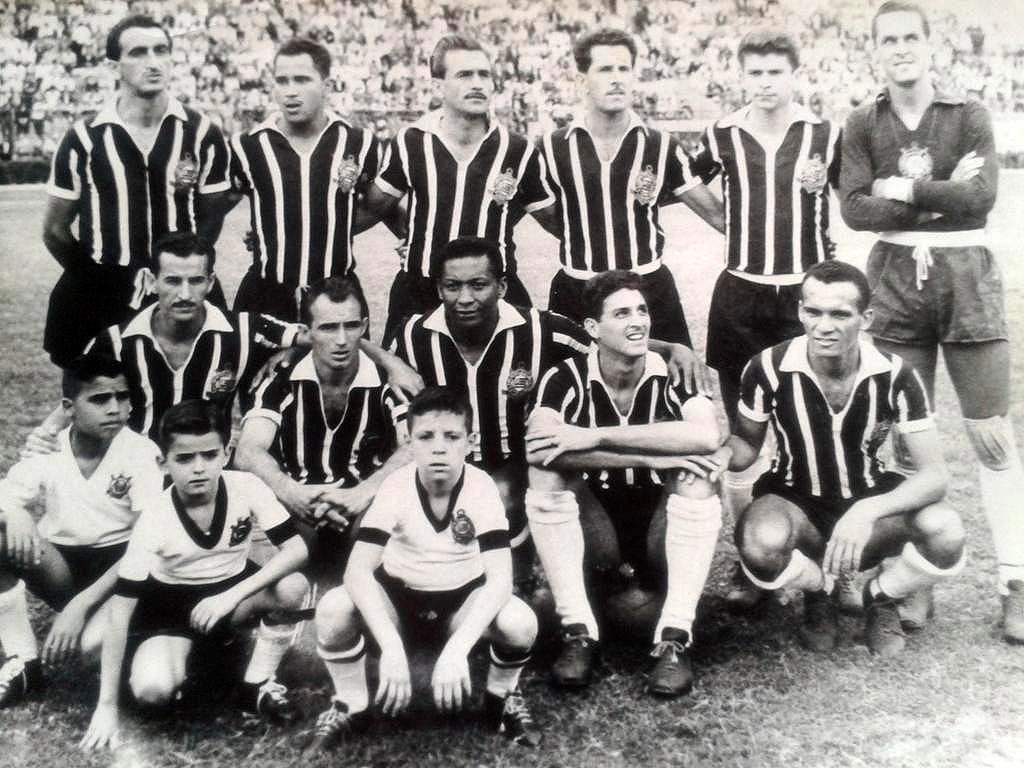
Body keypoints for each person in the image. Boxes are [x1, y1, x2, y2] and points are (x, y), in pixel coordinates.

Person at [839, 0, 1024, 641]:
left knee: (991, 436)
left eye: (910, 37)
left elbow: (982, 198)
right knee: (900, 439)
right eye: (887, 39)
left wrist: (903, 189)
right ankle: (911, 577)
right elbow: (855, 210)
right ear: (875, 50)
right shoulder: (863, 120)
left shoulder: (968, 113)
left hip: (967, 277)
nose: (900, 48)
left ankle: (1014, 583)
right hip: (893, 279)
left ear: (929, 44)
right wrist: (933, 194)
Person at [701, 261, 965, 656]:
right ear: (800, 312)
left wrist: (866, 512)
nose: (825, 326)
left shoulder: (896, 375)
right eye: (814, 312)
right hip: (796, 501)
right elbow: (746, 446)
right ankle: (819, 592)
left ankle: (881, 596)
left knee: (946, 531)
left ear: (866, 318)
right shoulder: (768, 367)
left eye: (840, 314)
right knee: (759, 544)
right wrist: (720, 454)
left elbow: (934, 477)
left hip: (872, 504)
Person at [683, 30, 841, 609]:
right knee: (744, 440)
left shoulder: (826, 135)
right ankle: (753, 566)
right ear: (741, 76)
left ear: (795, 72)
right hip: (741, 296)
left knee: (816, 429)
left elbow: (854, 193)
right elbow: (684, 179)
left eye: (776, 72)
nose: (766, 83)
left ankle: (823, 554)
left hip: (806, 296)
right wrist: (728, 221)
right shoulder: (722, 133)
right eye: (755, 73)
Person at [307, 387, 541, 753]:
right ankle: (351, 704)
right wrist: (391, 648)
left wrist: (457, 650)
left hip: (460, 603)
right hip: (399, 600)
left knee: (520, 621)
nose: (438, 447)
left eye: (452, 437)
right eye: (426, 436)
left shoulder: (481, 488)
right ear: (408, 440)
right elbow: (357, 572)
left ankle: (501, 698)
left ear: (470, 441)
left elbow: (500, 580)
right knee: (334, 609)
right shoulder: (396, 485)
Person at [524, 271, 725, 696]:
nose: (638, 322)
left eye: (642, 310)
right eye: (621, 313)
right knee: (547, 473)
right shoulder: (563, 377)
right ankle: (578, 630)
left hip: (658, 518)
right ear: (594, 329)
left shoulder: (674, 372)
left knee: (697, 476)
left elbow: (706, 437)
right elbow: (539, 448)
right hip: (597, 524)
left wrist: (596, 435)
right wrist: (646, 453)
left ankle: (675, 638)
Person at [80, 400, 311, 751]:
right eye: (184, 459)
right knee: (152, 691)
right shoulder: (156, 517)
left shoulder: (246, 486)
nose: (198, 468)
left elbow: (297, 549)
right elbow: (121, 613)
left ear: (226, 452)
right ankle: (203, 656)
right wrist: (107, 707)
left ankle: (257, 682)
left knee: (294, 586)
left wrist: (231, 596)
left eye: (209, 454)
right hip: (170, 607)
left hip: (232, 592)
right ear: (164, 462)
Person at [385, 236, 592, 583]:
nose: (465, 298)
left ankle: (523, 572)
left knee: (505, 501)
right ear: (438, 288)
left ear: (502, 286)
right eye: (452, 286)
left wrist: (672, 349)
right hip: (441, 472)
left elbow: (605, 351)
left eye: (478, 285)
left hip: (521, 472)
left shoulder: (543, 330)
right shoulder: (411, 338)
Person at [41, 14, 233, 366]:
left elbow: (212, 214)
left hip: (181, 284)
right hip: (103, 285)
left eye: (161, 51)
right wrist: (96, 280)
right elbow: (54, 230)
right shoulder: (83, 138)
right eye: (139, 53)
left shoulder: (203, 132)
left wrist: (187, 267)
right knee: (100, 401)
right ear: (114, 66)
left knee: (191, 392)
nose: (153, 62)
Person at [535, 28, 719, 379]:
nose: (617, 79)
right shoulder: (551, 147)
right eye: (605, 70)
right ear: (581, 79)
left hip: (649, 288)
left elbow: (715, 214)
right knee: (570, 397)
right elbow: (545, 215)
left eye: (624, 69)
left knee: (674, 396)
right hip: (577, 289)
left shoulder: (662, 146)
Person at [365, 34, 555, 341]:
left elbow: (554, 219)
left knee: (512, 377)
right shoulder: (411, 142)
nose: (478, 83)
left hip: (495, 290)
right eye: (465, 75)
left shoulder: (518, 149)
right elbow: (373, 208)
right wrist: (412, 235)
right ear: (438, 85)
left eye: (484, 75)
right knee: (408, 382)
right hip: (421, 287)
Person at [0, 356, 163, 707]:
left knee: (93, 651)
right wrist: (14, 511)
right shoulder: (49, 445)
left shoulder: (140, 452)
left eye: (122, 397)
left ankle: (138, 637)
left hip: (121, 568)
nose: (115, 409)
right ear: (69, 408)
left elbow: (147, 543)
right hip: (63, 564)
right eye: (100, 399)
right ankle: (24, 661)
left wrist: (78, 606)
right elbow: (8, 491)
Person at [235, 276, 412, 579]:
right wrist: (290, 490)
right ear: (307, 332)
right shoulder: (283, 378)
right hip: (300, 508)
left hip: (362, 509)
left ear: (365, 326)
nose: (341, 340)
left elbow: (413, 447)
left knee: (397, 514)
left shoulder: (387, 379)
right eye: (328, 328)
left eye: (351, 326)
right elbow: (248, 451)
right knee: (258, 512)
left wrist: (364, 492)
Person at [229, 37, 381, 322]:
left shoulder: (359, 142)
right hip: (266, 293)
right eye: (282, 81)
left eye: (302, 80)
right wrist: (270, 230)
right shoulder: (247, 146)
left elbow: (379, 204)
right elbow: (214, 204)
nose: (290, 92)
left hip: (338, 292)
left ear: (326, 85)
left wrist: (330, 226)